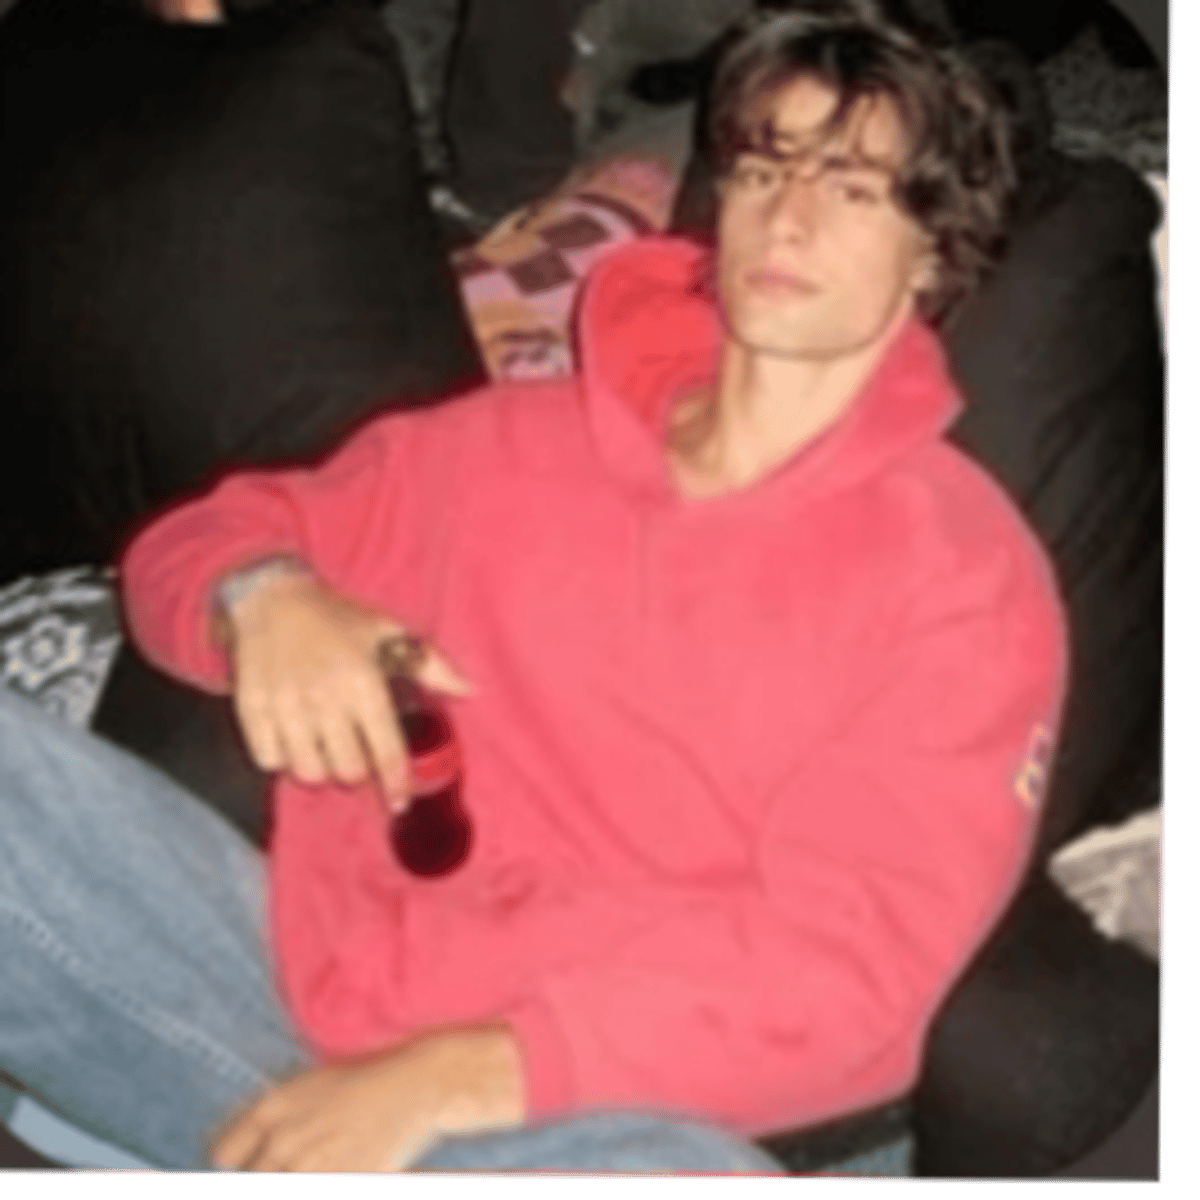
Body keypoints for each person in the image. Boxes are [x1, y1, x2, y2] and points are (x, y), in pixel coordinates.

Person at [0, 0, 1065, 1176]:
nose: (789, 217)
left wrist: (465, 1076)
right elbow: (196, 541)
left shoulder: (964, 581)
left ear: (935, 251)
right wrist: (264, 597)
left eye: (853, 188)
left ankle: (192, 1125)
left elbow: (852, 979)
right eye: (766, 170)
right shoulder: (504, 444)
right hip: (276, 973)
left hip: (571, 1098)